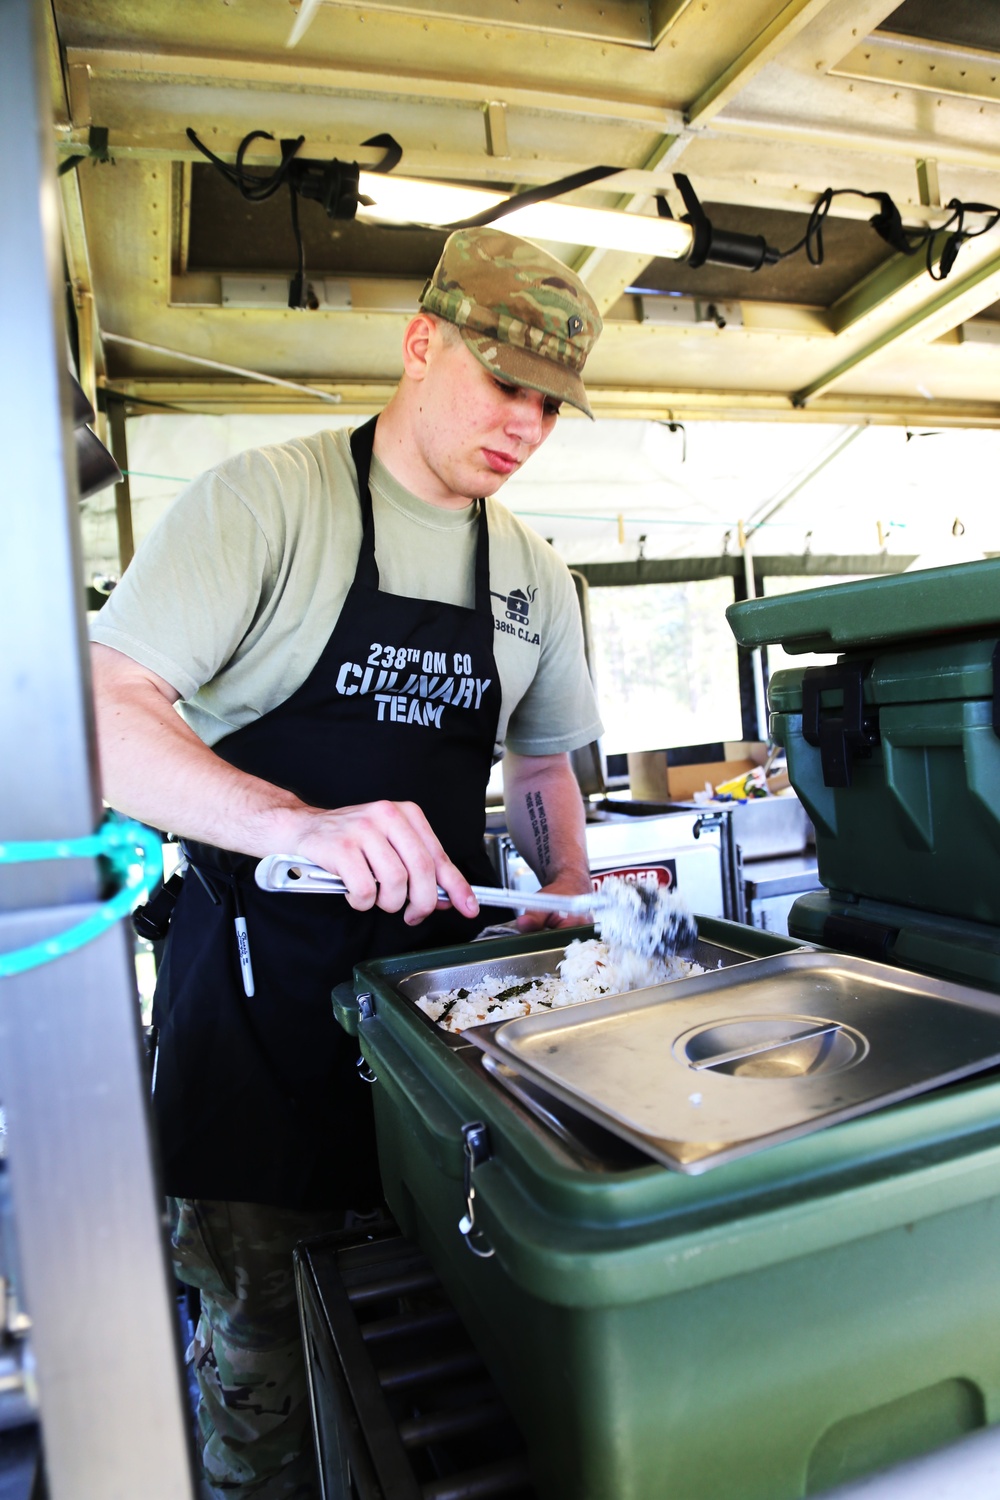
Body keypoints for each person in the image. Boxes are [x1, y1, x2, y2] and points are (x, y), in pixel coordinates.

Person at [89, 225, 604, 1499]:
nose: (527, 427)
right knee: (266, 1388)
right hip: (256, 1040)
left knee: (438, 1380)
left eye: (550, 404)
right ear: (422, 345)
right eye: (504, 386)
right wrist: (290, 824)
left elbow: (539, 772)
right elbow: (99, 711)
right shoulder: (269, 504)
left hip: (443, 1055)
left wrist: (576, 903)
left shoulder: (538, 579)